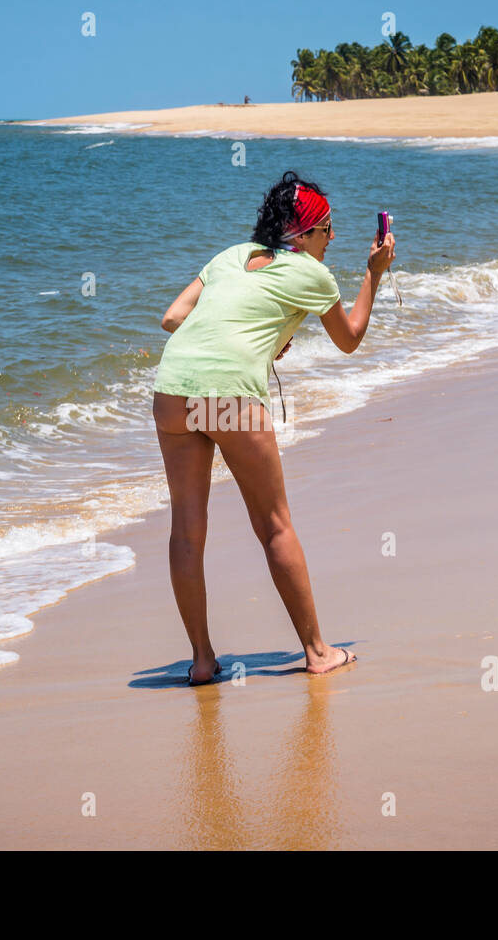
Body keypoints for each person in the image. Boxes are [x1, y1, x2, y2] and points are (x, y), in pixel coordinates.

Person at [153, 171, 396, 685]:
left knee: (187, 531)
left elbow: (173, 318)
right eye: (327, 229)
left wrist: (249, 336)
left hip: (173, 388)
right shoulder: (311, 273)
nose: (332, 239)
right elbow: (349, 338)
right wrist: (373, 272)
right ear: (304, 235)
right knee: (274, 526)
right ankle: (317, 651)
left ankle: (201, 660)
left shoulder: (231, 255)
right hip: (229, 395)